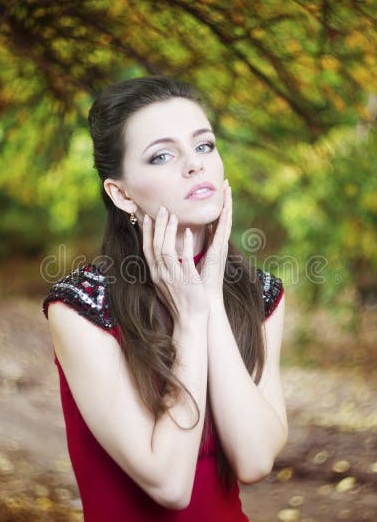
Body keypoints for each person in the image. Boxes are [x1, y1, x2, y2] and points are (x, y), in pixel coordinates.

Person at [42, 76, 287, 521]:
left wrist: (210, 297)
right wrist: (191, 320)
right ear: (121, 194)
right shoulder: (82, 307)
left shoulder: (261, 294)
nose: (194, 166)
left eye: (203, 146)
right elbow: (169, 484)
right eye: (161, 155)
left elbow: (254, 461)